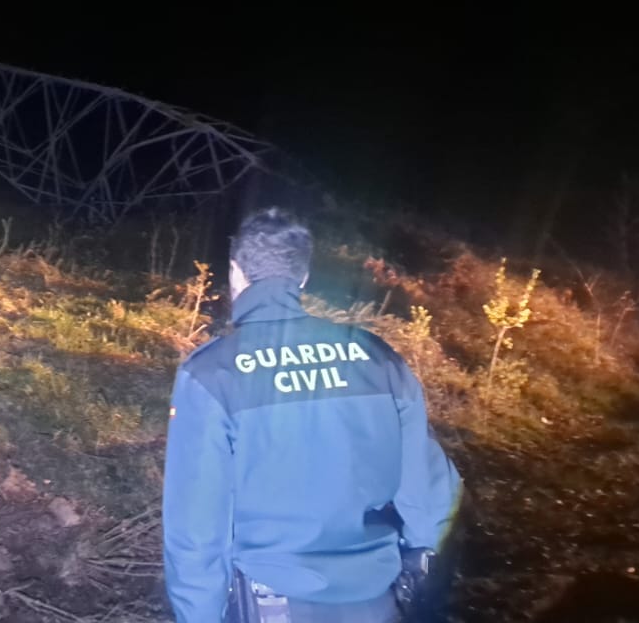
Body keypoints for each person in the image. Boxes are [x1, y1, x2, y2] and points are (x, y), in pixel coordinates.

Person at [161, 208, 463, 622]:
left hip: (274, 605)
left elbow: (195, 532)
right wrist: (422, 584)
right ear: (303, 277)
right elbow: (430, 494)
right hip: (379, 602)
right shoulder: (377, 359)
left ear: (235, 272)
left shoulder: (211, 375)